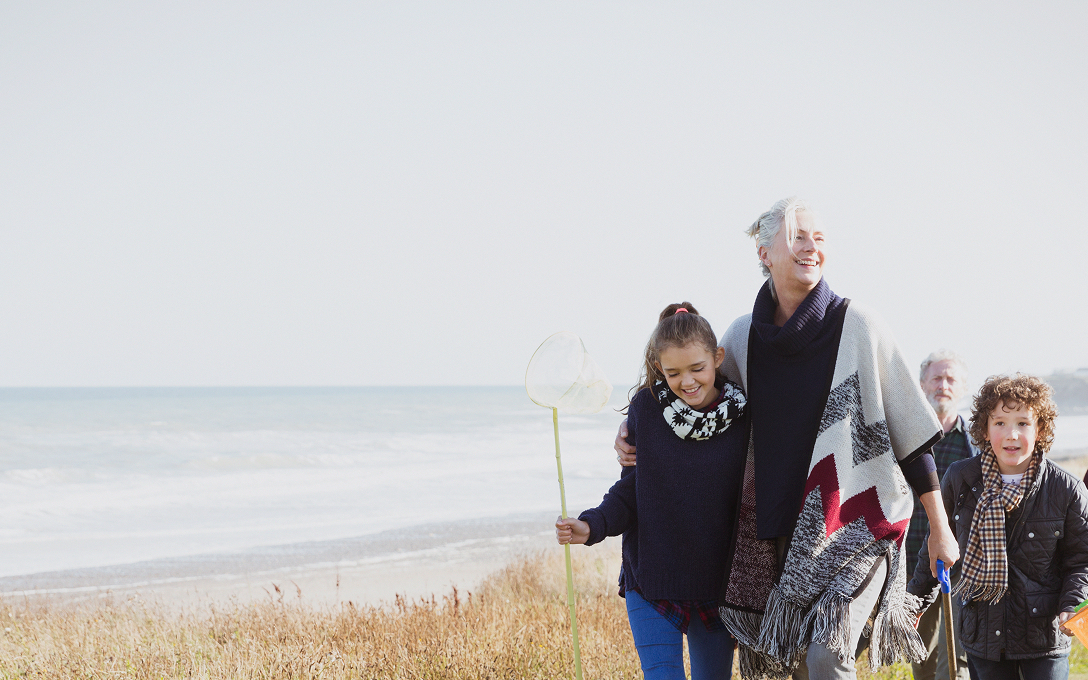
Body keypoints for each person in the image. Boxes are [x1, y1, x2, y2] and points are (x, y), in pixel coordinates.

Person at [616, 197, 960, 679]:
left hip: (855, 527)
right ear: (764, 253)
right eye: (798, 237)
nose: (811, 248)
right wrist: (636, 424)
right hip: (771, 536)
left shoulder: (859, 325)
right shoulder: (741, 338)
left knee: (827, 657)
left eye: (820, 239)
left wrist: (939, 528)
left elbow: (911, 436)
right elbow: (697, 401)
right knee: (787, 668)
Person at [556, 302, 748, 680]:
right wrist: (592, 525)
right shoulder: (646, 408)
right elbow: (632, 491)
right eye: (674, 373)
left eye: (698, 368)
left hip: (717, 585)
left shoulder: (743, 416)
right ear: (659, 368)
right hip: (651, 578)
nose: (688, 382)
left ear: (718, 358)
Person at [908, 374, 1088, 680]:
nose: (1011, 434)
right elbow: (937, 542)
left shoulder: (1065, 489)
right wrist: (915, 601)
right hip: (983, 632)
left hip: (1043, 635)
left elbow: (1081, 559)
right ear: (984, 429)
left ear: (1040, 429)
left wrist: (1071, 603)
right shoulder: (961, 478)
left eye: (1023, 423)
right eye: (1000, 423)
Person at [908, 352, 978, 680]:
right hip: (912, 567)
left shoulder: (976, 445)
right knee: (920, 659)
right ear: (922, 384)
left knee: (954, 664)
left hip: (961, 568)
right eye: (936, 378)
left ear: (962, 388)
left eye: (951, 379)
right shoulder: (904, 437)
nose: (943, 385)